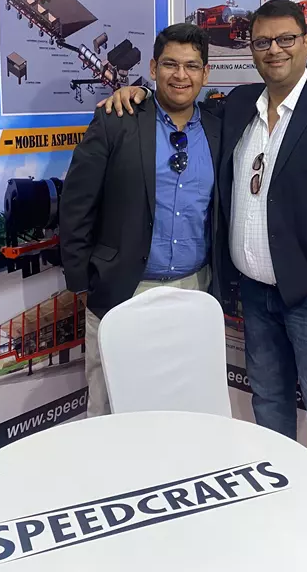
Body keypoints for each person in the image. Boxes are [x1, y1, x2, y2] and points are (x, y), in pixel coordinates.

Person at [98, 1, 307, 492]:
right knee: (269, 405)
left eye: (285, 39)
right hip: (255, 295)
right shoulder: (238, 105)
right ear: (251, 49)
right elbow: (178, 100)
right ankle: (278, 503)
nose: (274, 50)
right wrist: (138, 92)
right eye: (262, 42)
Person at [60, 23, 220, 418]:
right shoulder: (117, 118)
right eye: (169, 64)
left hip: (194, 291)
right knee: (109, 408)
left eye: (191, 66)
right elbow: (77, 203)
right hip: (123, 291)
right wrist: (82, 280)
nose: (180, 75)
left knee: (183, 408)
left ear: (205, 73)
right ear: (152, 68)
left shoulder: (220, 126)